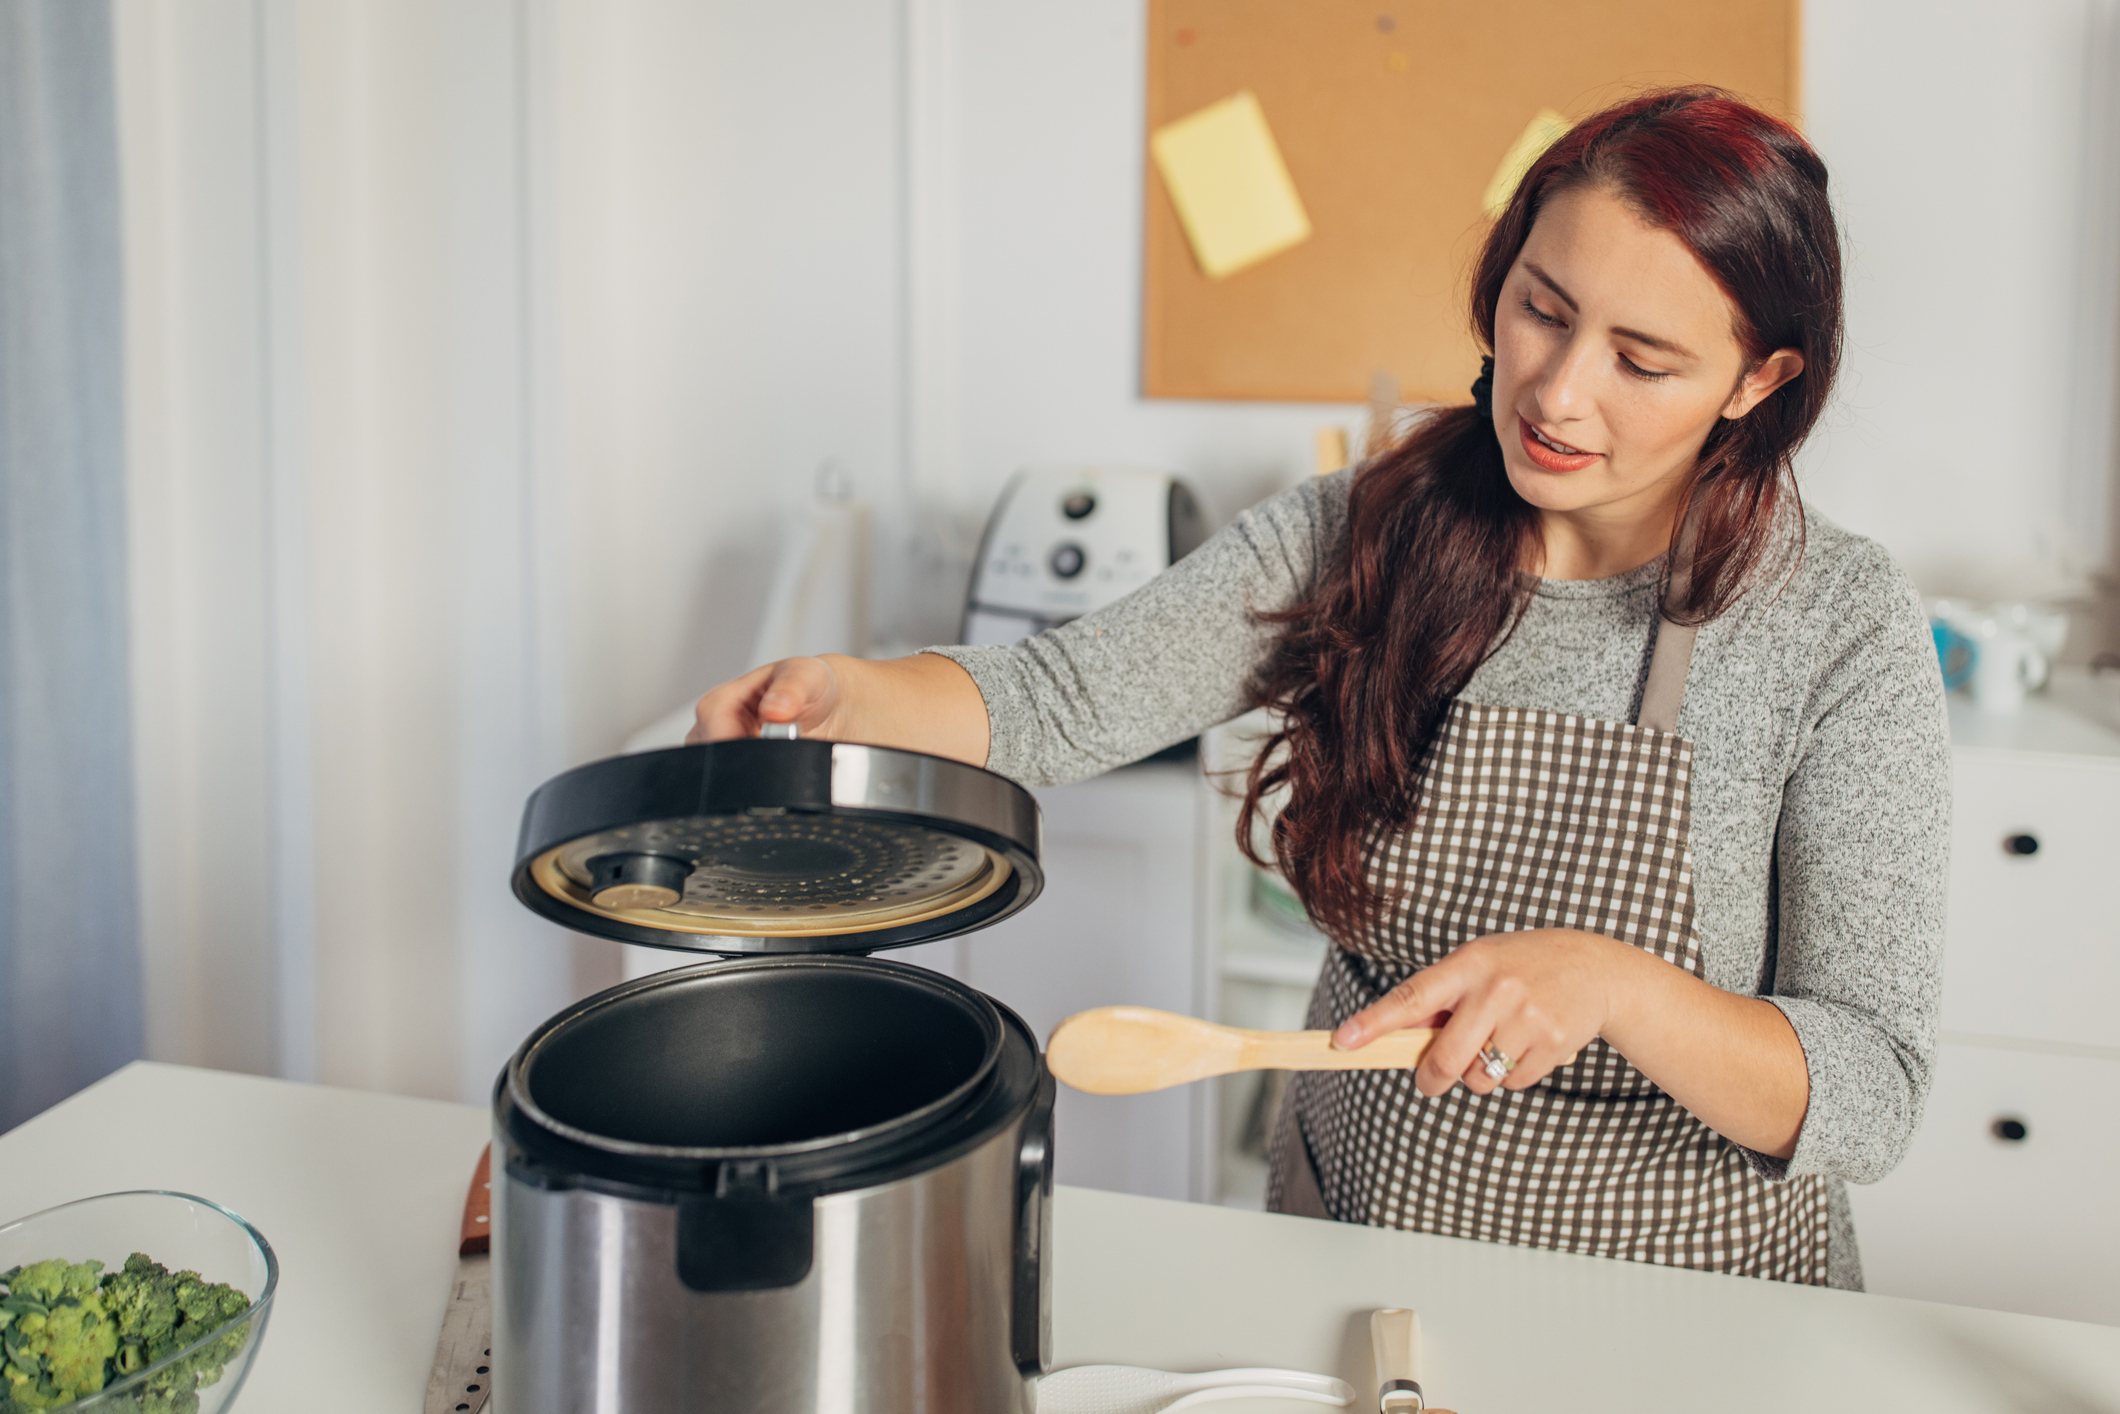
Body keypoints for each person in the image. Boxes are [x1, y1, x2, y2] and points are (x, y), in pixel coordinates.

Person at [689, 88, 1949, 1289]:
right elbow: (1057, 697)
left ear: (1755, 383)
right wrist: (847, 695)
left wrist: (1610, 981)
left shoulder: (1834, 624)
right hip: (1347, 1247)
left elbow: (1869, 1087)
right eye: (1541, 309)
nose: (1558, 392)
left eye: (1641, 359)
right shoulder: (1372, 526)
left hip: (1687, 1307)